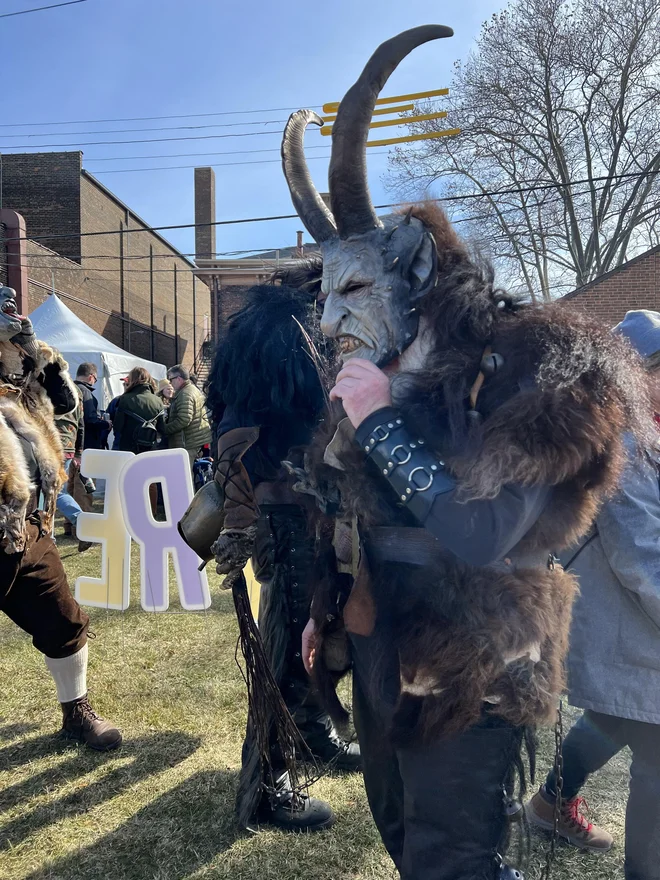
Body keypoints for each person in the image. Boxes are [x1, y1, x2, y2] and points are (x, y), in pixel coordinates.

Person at [280, 27, 648, 879]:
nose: (332, 323)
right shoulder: (386, 381)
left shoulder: (539, 373)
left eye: (357, 290)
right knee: (407, 840)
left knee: (451, 861)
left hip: (481, 656)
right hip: (383, 644)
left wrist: (375, 422)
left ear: (413, 276)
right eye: (327, 296)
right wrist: (327, 608)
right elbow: (370, 520)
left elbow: (480, 536)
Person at [203, 274, 360, 833]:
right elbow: (235, 436)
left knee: (324, 637)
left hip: (316, 512)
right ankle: (269, 788)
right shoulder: (276, 336)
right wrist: (241, 523)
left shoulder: (311, 336)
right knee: (292, 648)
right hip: (284, 515)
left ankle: (311, 735)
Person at [526, 310, 660, 876]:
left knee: (624, 718)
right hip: (626, 616)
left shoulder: (644, 426)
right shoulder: (623, 441)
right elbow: (642, 555)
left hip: (630, 619)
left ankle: (550, 803)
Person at [0, 287, 122, 751]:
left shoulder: (26, 382)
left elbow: (66, 405)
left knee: (63, 621)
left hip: (25, 528)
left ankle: (76, 713)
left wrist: (38, 355)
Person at [53, 383, 91, 552]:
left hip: (49, 443)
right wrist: (78, 451)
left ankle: (81, 523)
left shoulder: (43, 382)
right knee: (57, 491)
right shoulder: (75, 389)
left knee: (50, 492)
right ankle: (83, 524)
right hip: (67, 445)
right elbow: (80, 422)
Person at [163, 364, 211, 468]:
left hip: (188, 442)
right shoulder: (192, 389)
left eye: (170, 379)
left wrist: (165, 429)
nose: (170, 383)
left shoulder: (185, 394)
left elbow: (184, 420)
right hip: (196, 440)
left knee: (185, 476)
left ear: (179, 379)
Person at [75, 362, 110, 450]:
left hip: (73, 439)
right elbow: (90, 420)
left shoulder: (70, 388)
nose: (94, 382)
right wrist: (106, 424)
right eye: (95, 379)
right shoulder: (85, 392)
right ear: (91, 377)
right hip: (86, 442)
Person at [106, 375, 129, 450]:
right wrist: (102, 441)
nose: (125, 386)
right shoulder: (116, 401)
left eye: (127, 384)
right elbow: (107, 422)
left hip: (129, 444)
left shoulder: (118, 400)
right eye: (124, 384)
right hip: (118, 443)